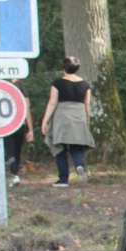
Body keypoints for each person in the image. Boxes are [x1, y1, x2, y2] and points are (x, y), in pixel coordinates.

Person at [40, 56, 95, 187]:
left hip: (62, 116)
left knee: (60, 147)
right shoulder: (85, 84)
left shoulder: (57, 84)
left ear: (63, 68)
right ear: (77, 68)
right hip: (79, 115)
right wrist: (87, 119)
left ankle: (63, 179)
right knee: (77, 146)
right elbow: (87, 104)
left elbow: (53, 102)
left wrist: (45, 120)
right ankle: (79, 166)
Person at [4, 79, 34, 186]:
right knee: (17, 151)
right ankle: (15, 173)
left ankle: (14, 173)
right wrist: (30, 129)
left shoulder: (3, 94)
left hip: (7, 126)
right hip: (20, 126)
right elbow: (27, 113)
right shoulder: (23, 96)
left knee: (10, 151)